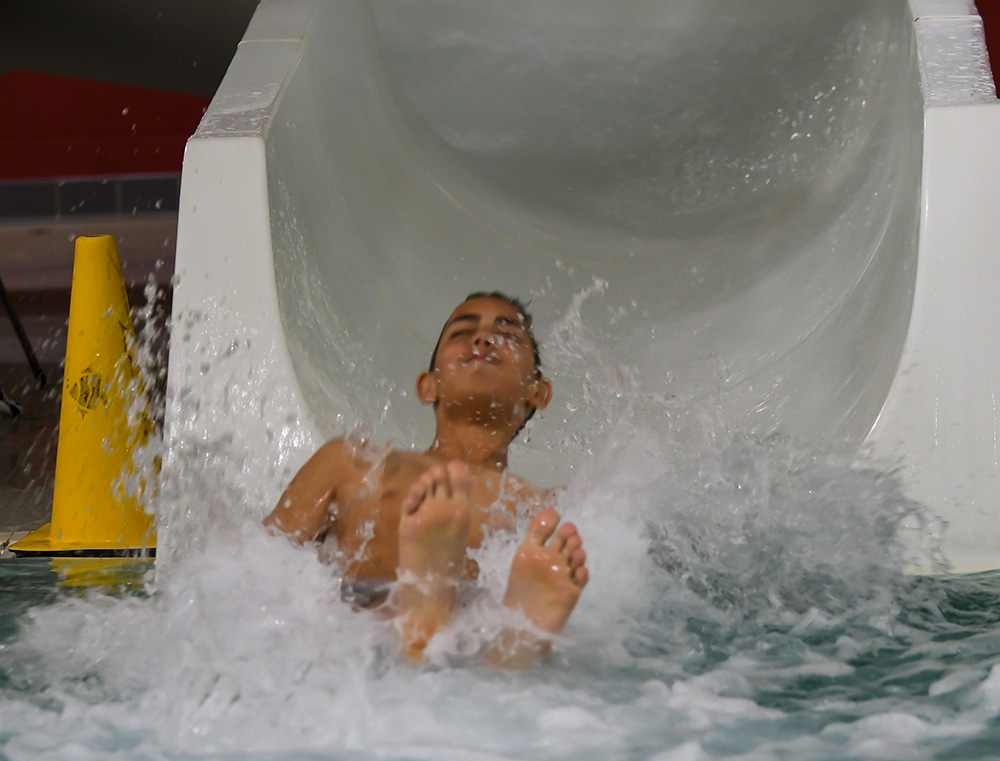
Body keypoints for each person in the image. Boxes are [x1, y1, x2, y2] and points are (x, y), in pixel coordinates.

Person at [264, 292, 588, 667]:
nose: (483, 340)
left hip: (462, 643)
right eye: (462, 333)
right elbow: (262, 561)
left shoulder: (543, 508)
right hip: (358, 630)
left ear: (539, 392)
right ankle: (437, 613)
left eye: (509, 335)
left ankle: (516, 636)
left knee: (497, 635)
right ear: (427, 385)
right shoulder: (354, 463)